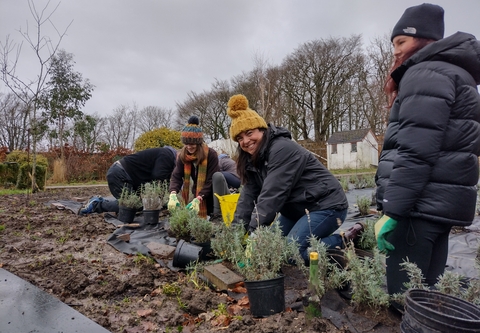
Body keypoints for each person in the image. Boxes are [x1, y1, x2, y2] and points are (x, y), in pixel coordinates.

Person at [374, 3, 480, 297]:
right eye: (393, 43)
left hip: (417, 208)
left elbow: (415, 152)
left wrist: (393, 211)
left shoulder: (425, 74)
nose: (395, 50)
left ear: (423, 40)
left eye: (401, 42)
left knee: (405, 299)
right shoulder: (459, 76)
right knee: (428, 295)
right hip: (440, 206)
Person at [227, 94, 355, 264]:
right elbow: (247, 197)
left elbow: (272, 195)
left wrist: (253, 232)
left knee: (291, 252)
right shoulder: (252, 159)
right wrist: (234, 235)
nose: (246, 141)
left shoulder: (282, 149)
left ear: (262, 129)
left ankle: (346, 239)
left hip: (325, 205)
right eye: (240, 138)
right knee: (271, 246)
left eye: (249, 133)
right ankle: (317, 240)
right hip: (296, 211)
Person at [78, 145, 177, 215]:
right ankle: (96, 205)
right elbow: (158, 178)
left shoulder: (166, 155)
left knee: (139, 204)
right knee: (130, 207)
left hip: (124, 175)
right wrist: (169, 197)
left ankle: (102, 201)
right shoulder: (167, 155)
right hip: (119, 174)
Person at [168, 116, 220, 218]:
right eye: (186, 143)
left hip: (210, 195)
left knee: (209, 218)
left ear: (199, 143)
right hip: (196, 193)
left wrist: (200, 197)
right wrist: (173, 193)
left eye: (192, 143)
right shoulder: (183, 155)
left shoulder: (210, 154)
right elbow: (176, 176)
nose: (189, 146)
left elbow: (211, 180)